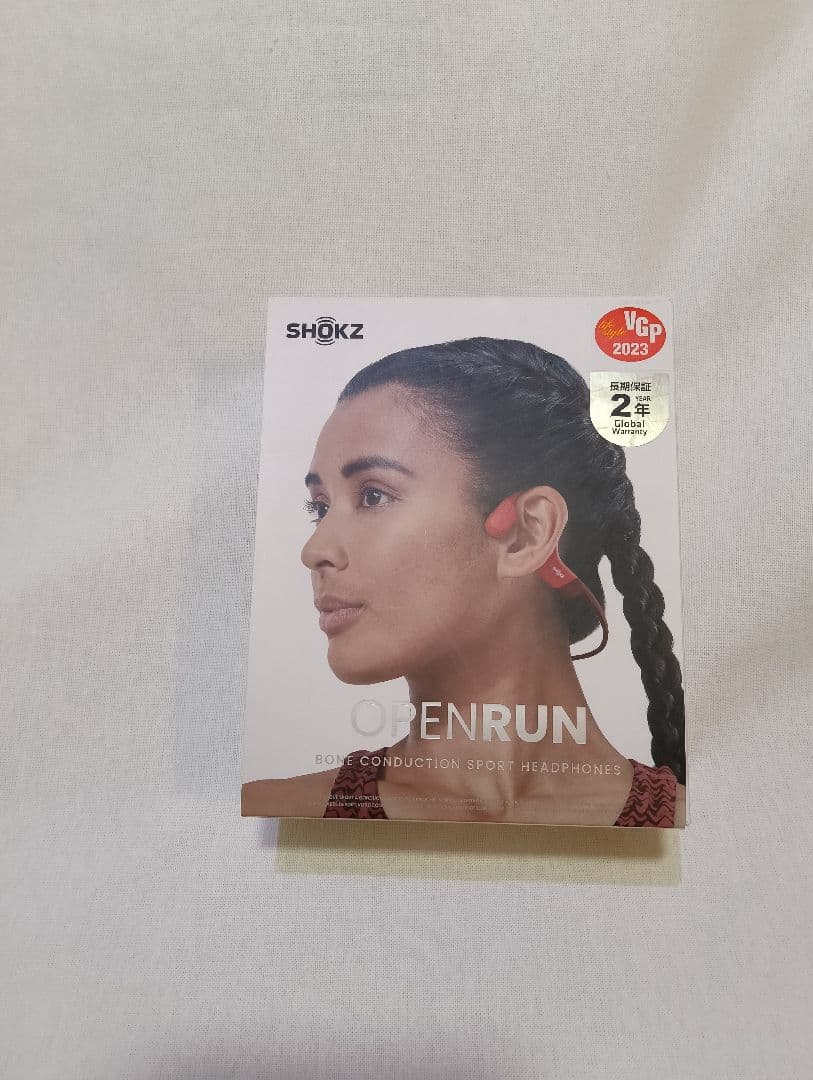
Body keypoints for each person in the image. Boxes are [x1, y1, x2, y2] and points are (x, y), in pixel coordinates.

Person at [241, 337, 686, 827]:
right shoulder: (270, 814)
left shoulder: (695, 826)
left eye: (372, 496)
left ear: (525, 534)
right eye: (320, 507)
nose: (314, 551)